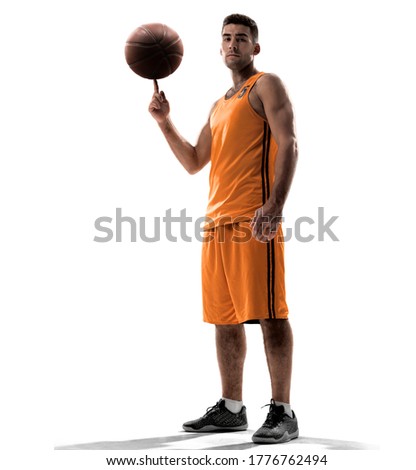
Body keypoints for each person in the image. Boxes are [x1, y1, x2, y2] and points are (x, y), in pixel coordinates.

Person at [149, 13, 299, 444]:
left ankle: (283, 411)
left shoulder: (266, 85)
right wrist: (164, 123)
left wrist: (274, 205)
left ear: (255, 48)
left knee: (271, 313)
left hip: (254, 219)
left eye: (242, 38)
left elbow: (289, 141)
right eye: (227, 38)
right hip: (216, 224)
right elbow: (196, 160)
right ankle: (232, 408)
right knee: (224, 319)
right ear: (220, 48)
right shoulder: (219, 104)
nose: (233, 44)